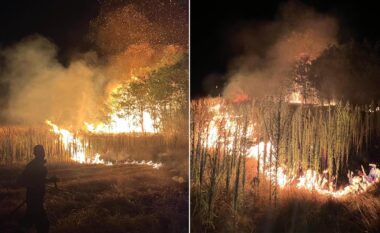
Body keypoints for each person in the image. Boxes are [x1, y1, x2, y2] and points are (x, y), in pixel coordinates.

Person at [17, 145, 58, 233]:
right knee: (43, 224)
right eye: (41, 152)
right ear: (36, 153)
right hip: (34, 198)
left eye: (43, 151)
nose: (43, 153)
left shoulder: (37, 164)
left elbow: (40, 180)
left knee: (29, 220)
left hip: (36, 198)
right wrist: (34, 186)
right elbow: (23, 180)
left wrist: (50, 180)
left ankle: (19, 228)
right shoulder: (34, 165)